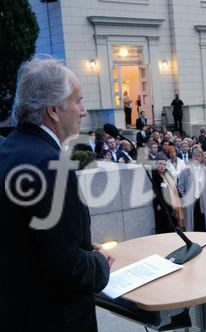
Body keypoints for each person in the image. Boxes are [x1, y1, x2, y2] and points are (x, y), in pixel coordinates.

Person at [0, 57, 113, 331]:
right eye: (78, 101)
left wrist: (80, 248)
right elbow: (67, 268)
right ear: (53, 110)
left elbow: (27, 241)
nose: (83, 111)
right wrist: (100, 264)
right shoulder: (53, 167)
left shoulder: (8, 150)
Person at [177, 148, 206, 232]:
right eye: (195, 155)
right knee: (191, 221)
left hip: (203, 200)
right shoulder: (185, 170)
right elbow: (180, 186)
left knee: (204, 221)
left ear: (202, 158)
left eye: (199, 155)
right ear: (192, 157)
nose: (197, 157)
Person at [152, 157, 184, 233]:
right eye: (160, 164)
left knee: (173, 226)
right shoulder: (154, 175)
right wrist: (158, 204)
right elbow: (155, 191)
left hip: (171, 203)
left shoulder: (167, 173)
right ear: (156, 164)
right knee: (164, 227)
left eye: (164, 164)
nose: (162, 166)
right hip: (162, 205)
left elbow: (174, 187)